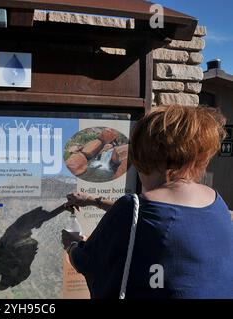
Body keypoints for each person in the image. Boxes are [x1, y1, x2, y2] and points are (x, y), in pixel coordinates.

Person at [62, 105, 233, 299]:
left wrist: (72, 245)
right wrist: (93, 201)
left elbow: (88, 261)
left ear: (145, 153)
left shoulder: (130, 209)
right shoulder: (216, 202)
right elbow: (155, 217)